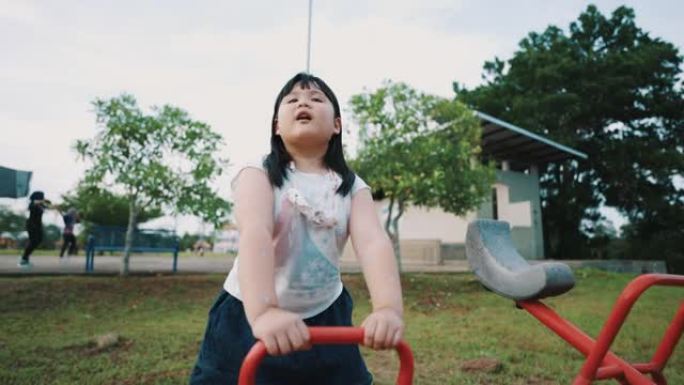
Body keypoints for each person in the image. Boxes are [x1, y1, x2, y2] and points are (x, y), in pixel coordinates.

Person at [189, 73, 404, 385]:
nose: (304, 101)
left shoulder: (352, 187)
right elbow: (256, 232)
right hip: (246, 313)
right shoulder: (258, 174)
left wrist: (388, 309)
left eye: (317, 99)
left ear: (337, 125)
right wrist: (264, 313)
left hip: (326, 312)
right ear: (277, 126)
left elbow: (373, 243)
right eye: (292, 100)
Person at [19, 191, 51, 268]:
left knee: (38, 240)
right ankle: (24, 259)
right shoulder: (32, 204)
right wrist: (42, 201)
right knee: (33, 241)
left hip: (38, 225)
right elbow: (33, 205)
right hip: (32, 225)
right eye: (42, 197)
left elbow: (48, 206)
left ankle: (25, 257)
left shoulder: (40, 205)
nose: (43, 198)